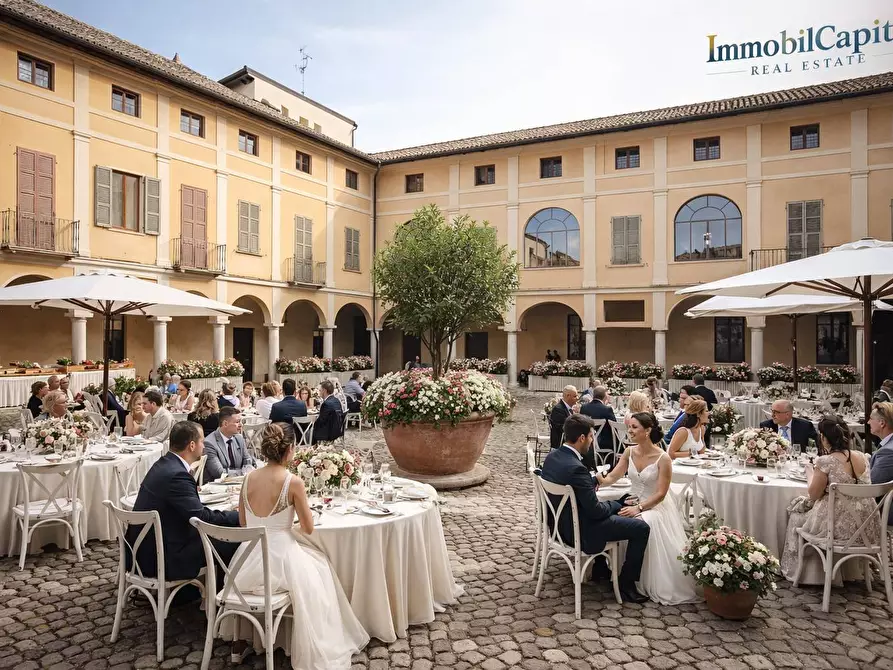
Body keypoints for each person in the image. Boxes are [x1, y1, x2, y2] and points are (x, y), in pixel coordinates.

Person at [227, 423, 369, 668]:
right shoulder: (292, 482)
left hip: (248, 560)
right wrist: (286, 521)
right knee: (321, 568)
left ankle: (243, 641)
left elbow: (242, 521)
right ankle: (304, 640)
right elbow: (308, 528)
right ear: (291, 449)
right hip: (282, 558)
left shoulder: (248, 478)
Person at [540, 413, 650, 604]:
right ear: (582, 438)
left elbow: (569, 482)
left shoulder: (553, 456)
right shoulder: (577, 468)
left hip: (557, 528)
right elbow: (596, 512)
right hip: (579, 532)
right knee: (641, 528)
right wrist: (618, 503)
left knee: (612, 510)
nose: (592, 441)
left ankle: (600, 569)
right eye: (591, 436)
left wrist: (590, 481)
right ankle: (626, 584)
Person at [596, 412, 700, 604]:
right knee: (605, 514)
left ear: (648, 430)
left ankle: (630, 582)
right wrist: (599, 480)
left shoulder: (663, 458)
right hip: (631, 499)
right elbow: (613, 476)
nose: (630, 430)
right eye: (630, 427)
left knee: (641, 521)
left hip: (654, 505)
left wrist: (640, 508)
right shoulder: (629, 452)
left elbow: (661, 493)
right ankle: (605, 569)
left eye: (635, 427)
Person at [127, 421, 241, 580]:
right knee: (234, 538)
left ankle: (194, 592)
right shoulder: (177, 475)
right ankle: (221, 595)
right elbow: (200, 518)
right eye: (202, 441)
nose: (205, 445)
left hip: (145, 549)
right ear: (192, 445)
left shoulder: (164, 463)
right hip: (161, 558)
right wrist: (237, 516)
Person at [780, 417, 875, 583]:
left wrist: (810, 472)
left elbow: (814, 494)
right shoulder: (862, 457)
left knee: (796, 515)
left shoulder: (825, 461)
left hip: (835, 529)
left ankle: (803, 574)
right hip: (866, 526)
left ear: (823, 438)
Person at [203, 406, 256, 482]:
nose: (241, 425)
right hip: (217, 486)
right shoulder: (210, 443)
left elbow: (247, 460)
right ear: (225, 424)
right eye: (237, 422)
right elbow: (219, 473)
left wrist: (248, 467)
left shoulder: (239, 438)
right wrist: (244, 471)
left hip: (238, 483)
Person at [869, 402, 893, 518]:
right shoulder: (888, 445)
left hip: (886, 511)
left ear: (882, 423)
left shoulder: (888, 451)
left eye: (870, 419)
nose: (868, 422)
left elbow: (871, 486)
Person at [579, 386, 618, 459]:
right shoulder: (607, 409)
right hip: (603, 443)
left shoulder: (584, 407)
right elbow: (614, 427)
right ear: (605, 396)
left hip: (587, 441)